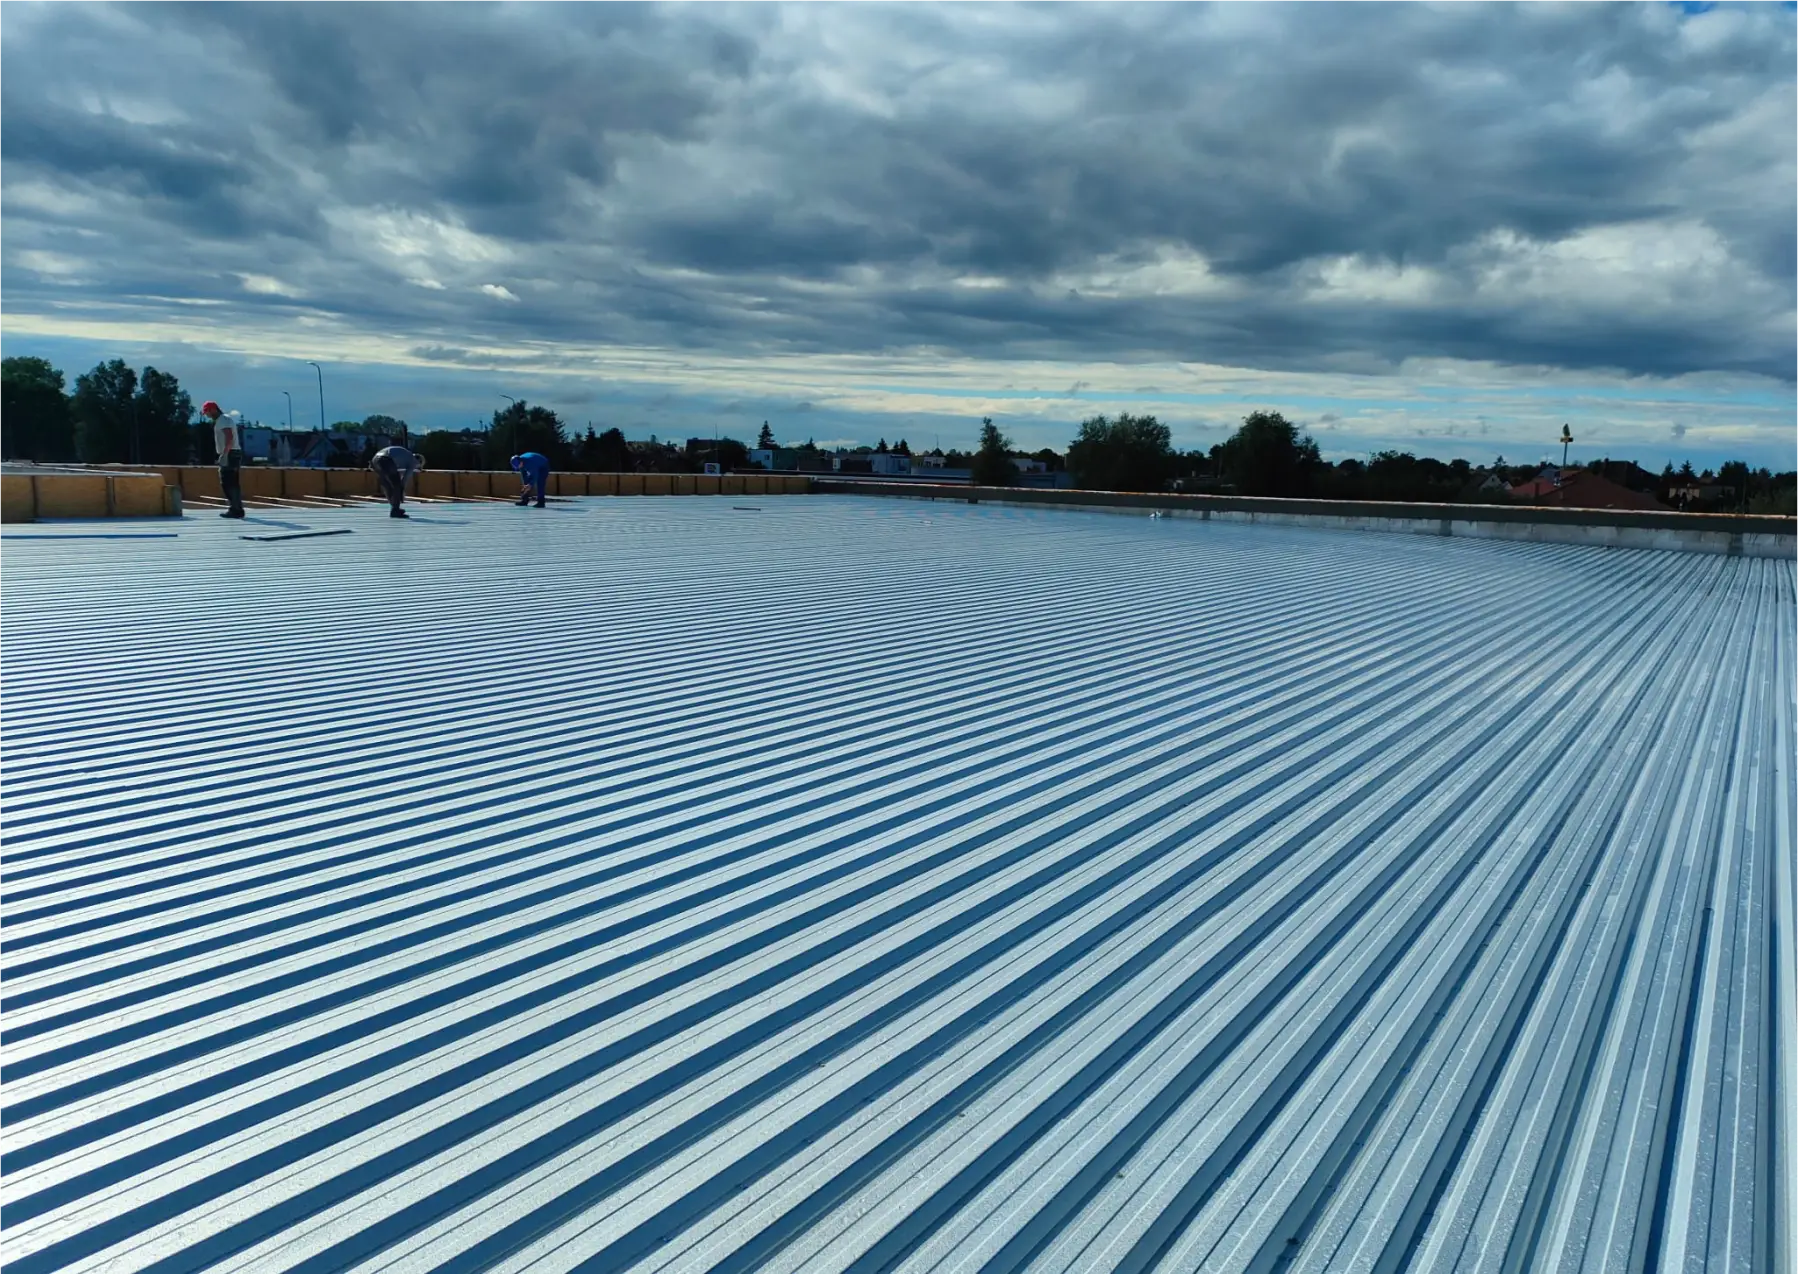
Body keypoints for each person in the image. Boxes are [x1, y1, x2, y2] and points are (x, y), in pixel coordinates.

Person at [202, 401, 245, 518]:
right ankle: (237, 508)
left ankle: (235, 509)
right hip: (233, 453)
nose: (207, 415)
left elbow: (229, 437)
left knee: (228, 482)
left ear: (213, 410)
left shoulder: (223, 420)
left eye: (207, 412)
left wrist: (225, 454)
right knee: (233, 482)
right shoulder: (224, 420)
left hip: (230, 454)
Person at [370, 442, 424, 518]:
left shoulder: (406, 455)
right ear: (419, 461)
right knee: (397, 486)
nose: (415, 467)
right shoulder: (413, 461)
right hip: (386, 459)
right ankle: (395, 510)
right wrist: (401, 490)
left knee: (387, 486)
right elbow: (404, 479)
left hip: (375, 460)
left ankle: (394, 508)